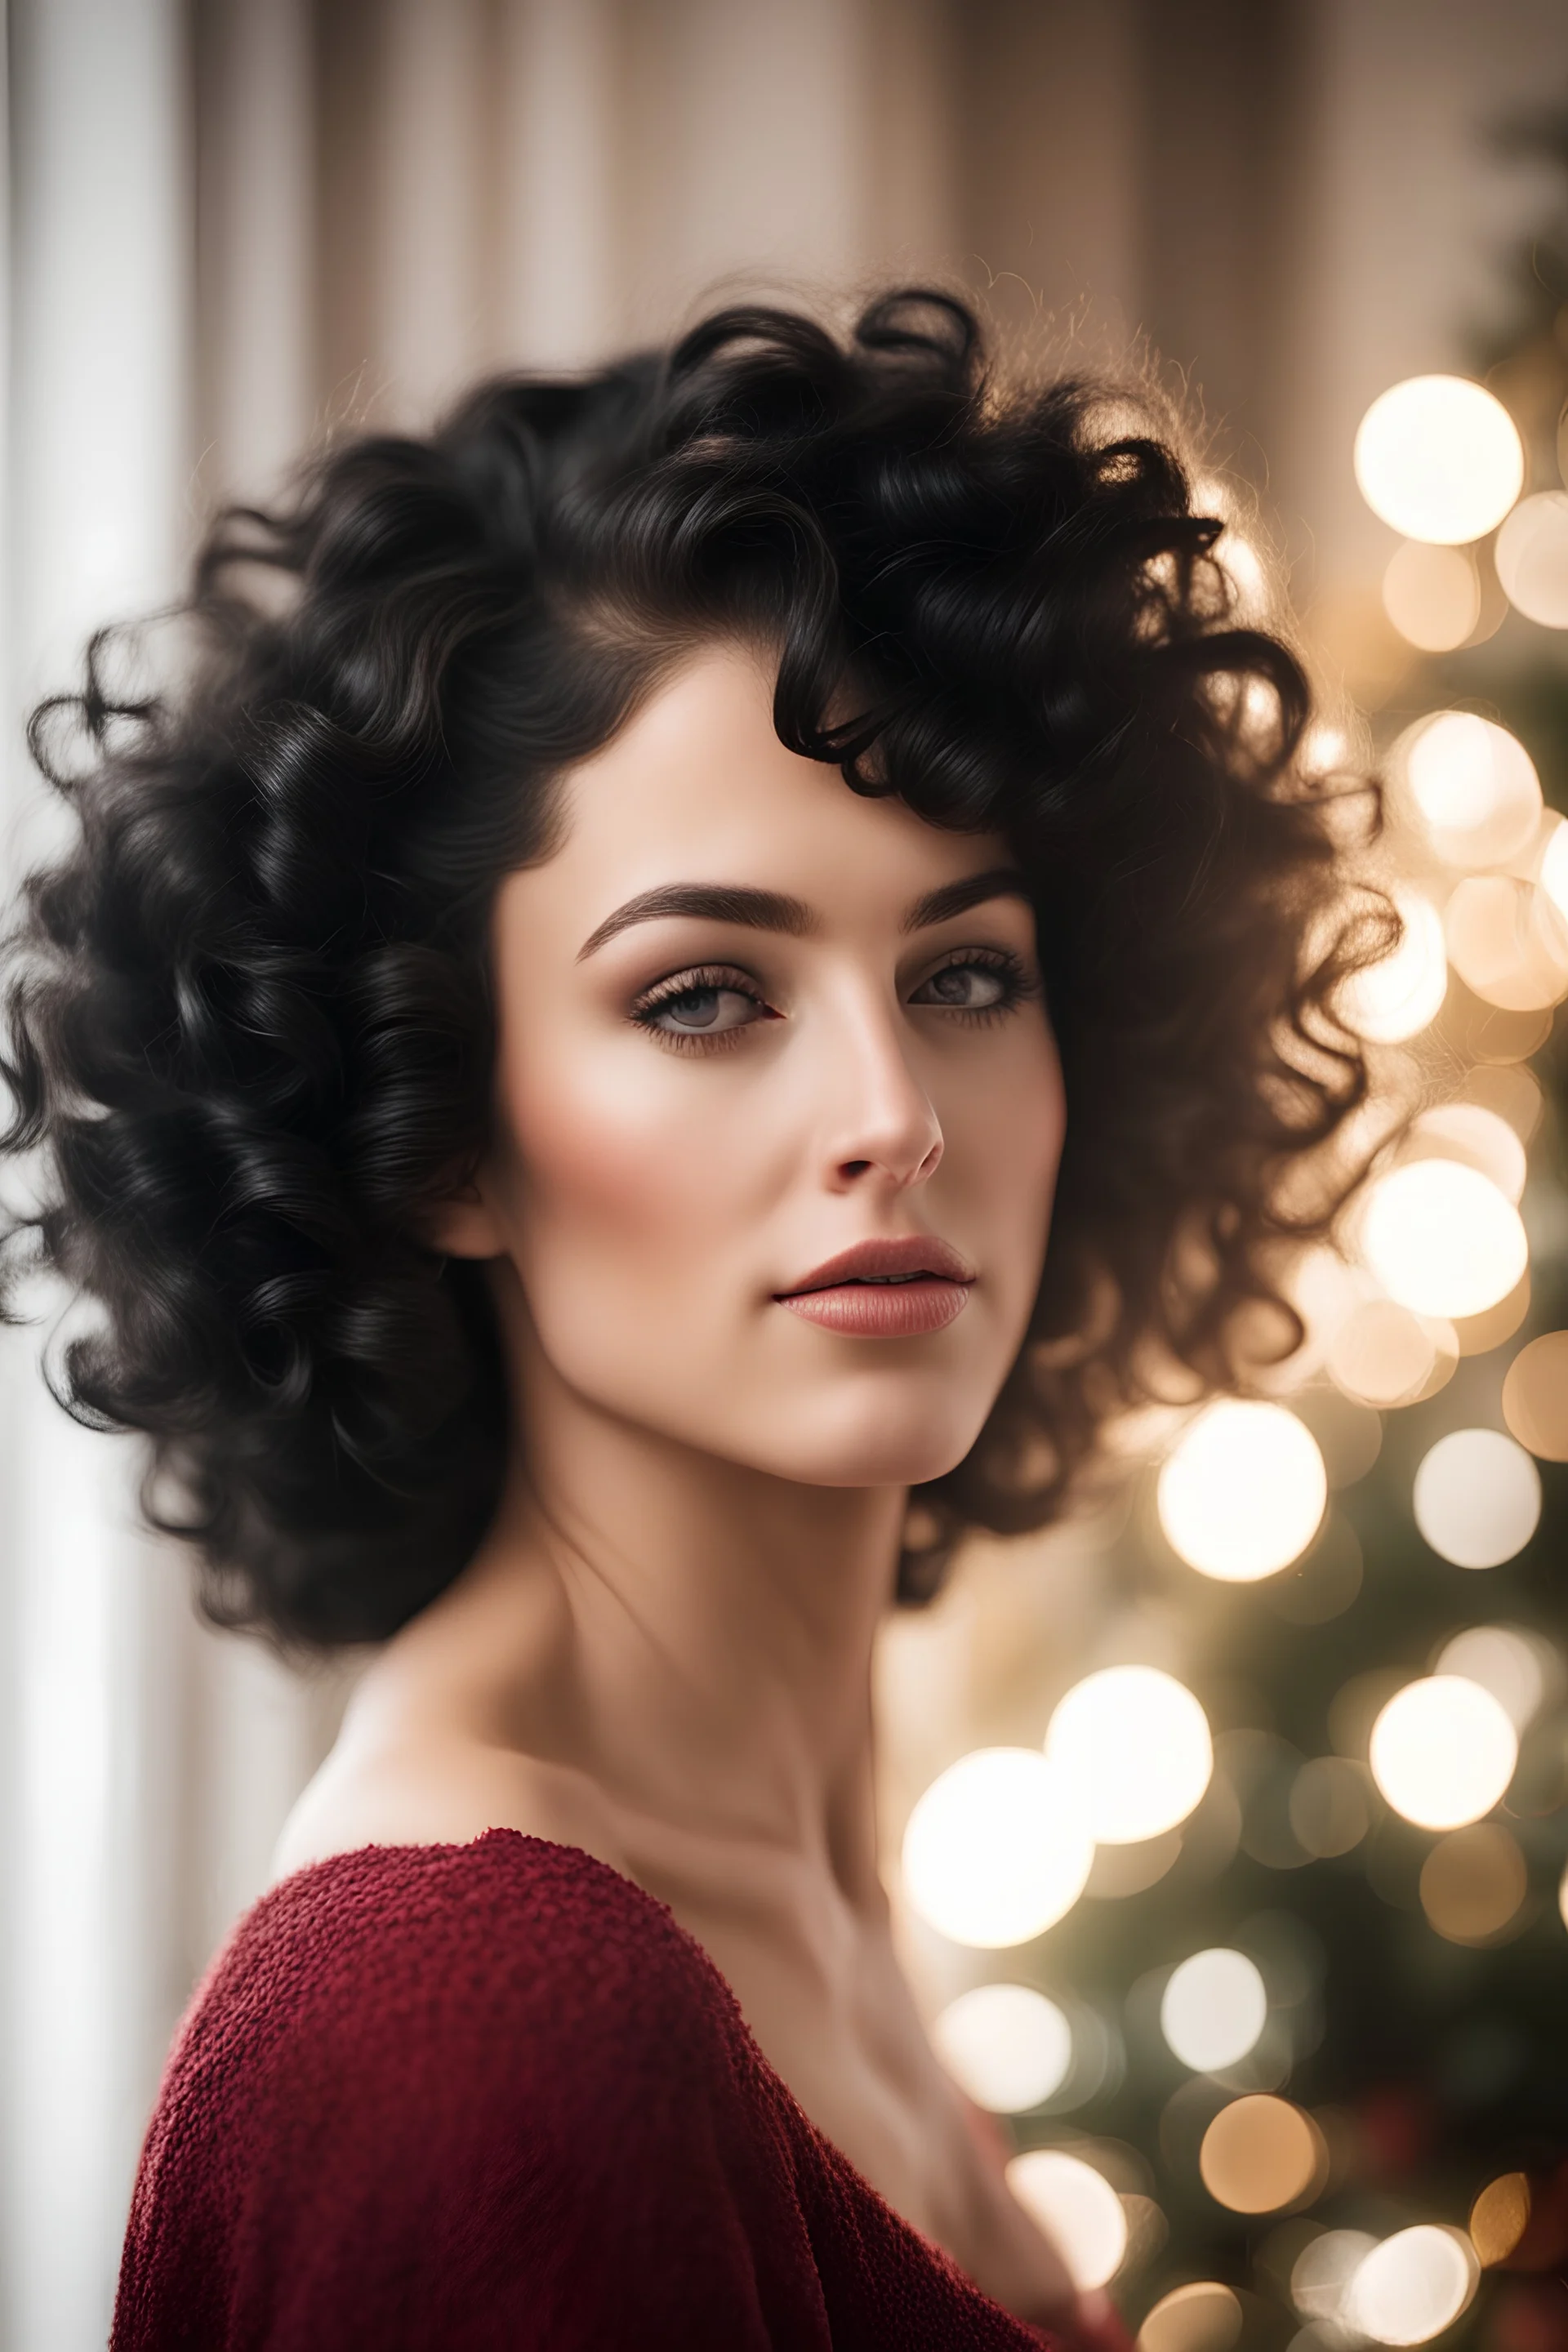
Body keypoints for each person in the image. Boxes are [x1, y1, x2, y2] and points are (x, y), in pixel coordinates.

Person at [3, 291, 1374, 2349]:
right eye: (706, 995)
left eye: (969, 975)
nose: (894, 1118)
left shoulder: (801, 1908)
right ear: (435, 1128)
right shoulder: (468, 2023)